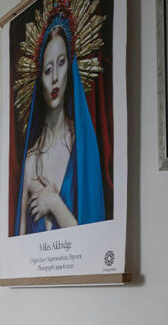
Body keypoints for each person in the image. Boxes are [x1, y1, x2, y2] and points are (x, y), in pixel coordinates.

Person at [15, 14, 106, 235]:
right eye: (47, 70)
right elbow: (18, 250)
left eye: (61, 63)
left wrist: (55, 203)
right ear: (39, 80)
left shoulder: (82, 144)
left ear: (71, 67)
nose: (55, 76)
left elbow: (94, 242)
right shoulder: (30, 162)